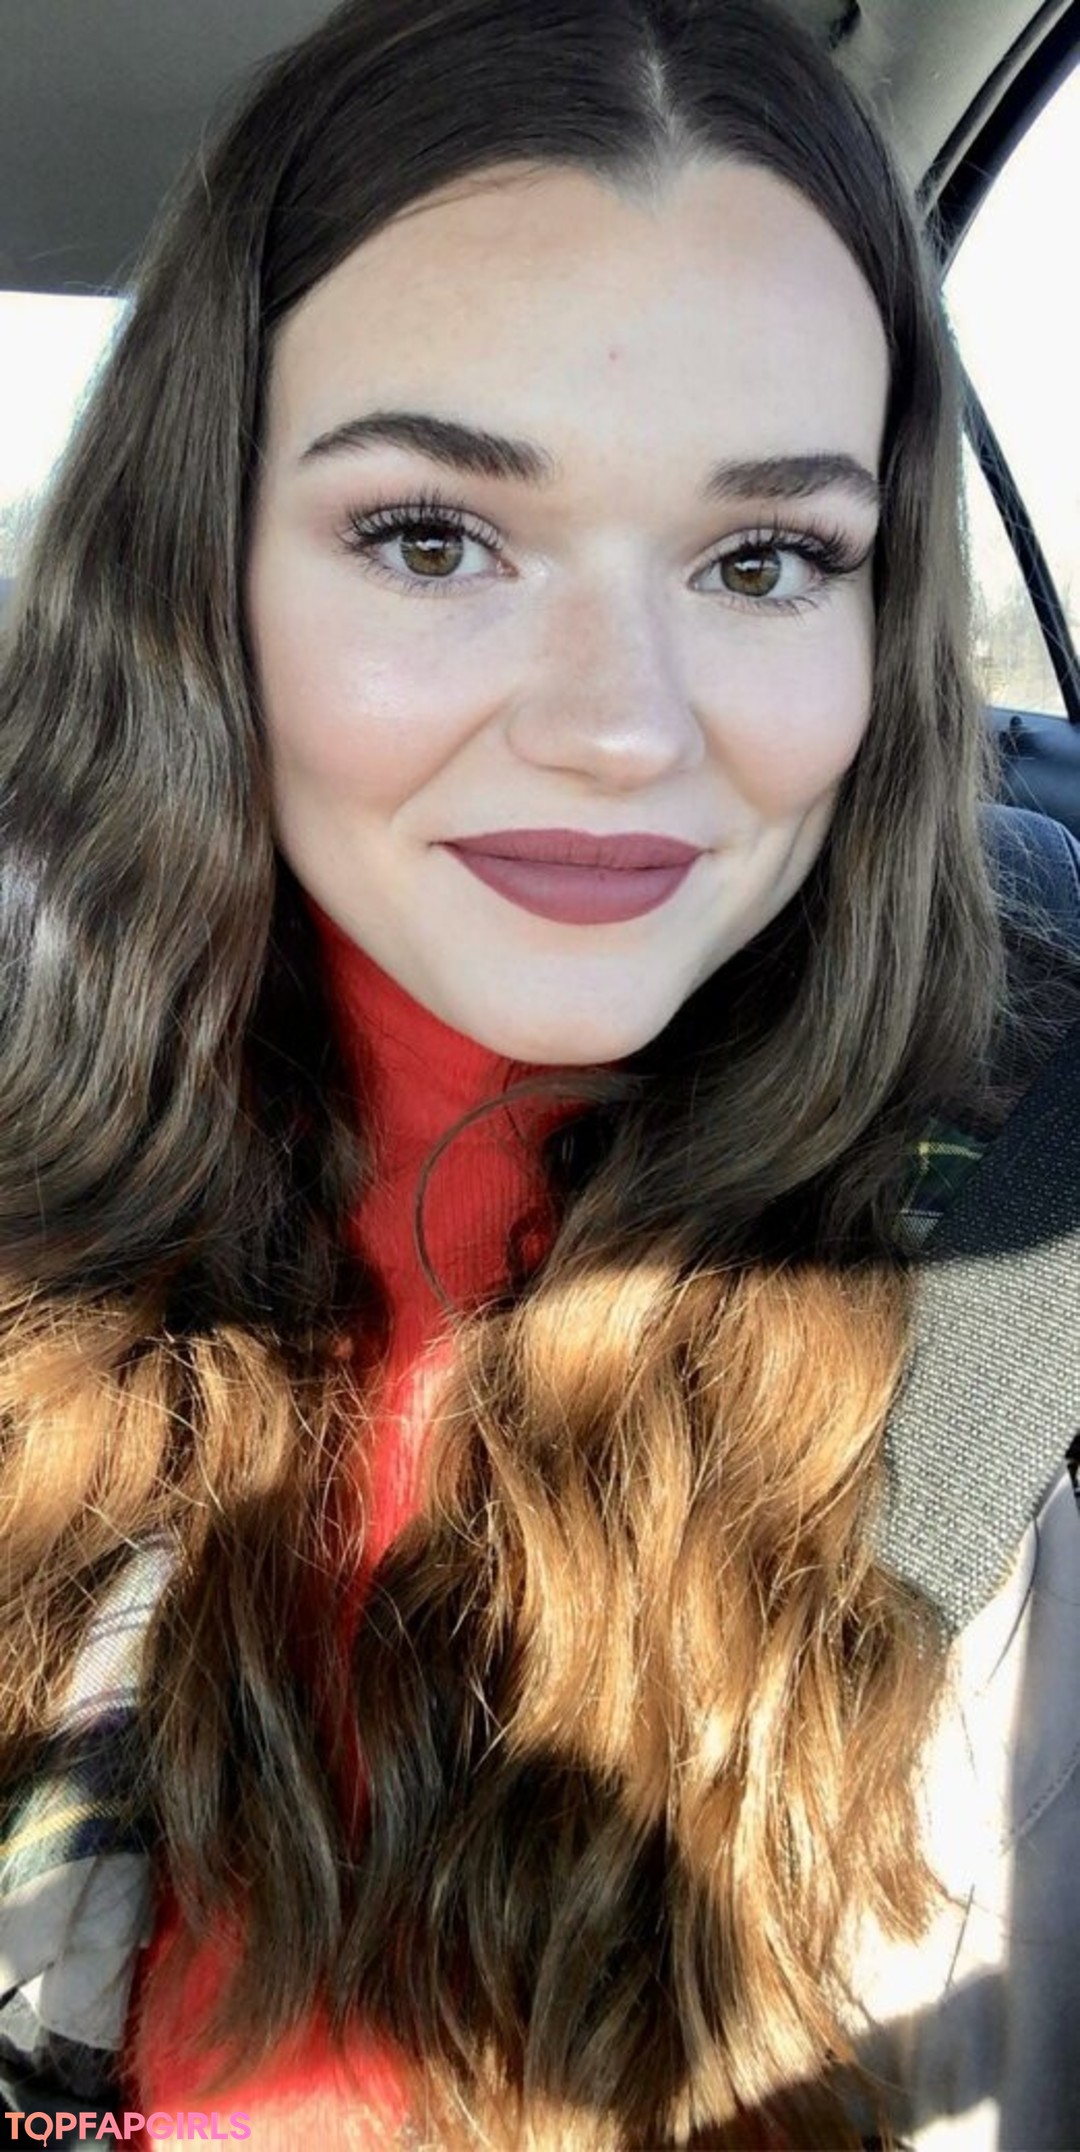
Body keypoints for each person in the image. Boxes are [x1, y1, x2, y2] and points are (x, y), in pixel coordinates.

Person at [1, 1, 1079, 2147]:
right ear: (202, 569)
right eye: (434, 537)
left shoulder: (1015, 1273)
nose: (619, 726)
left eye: (763, 559)